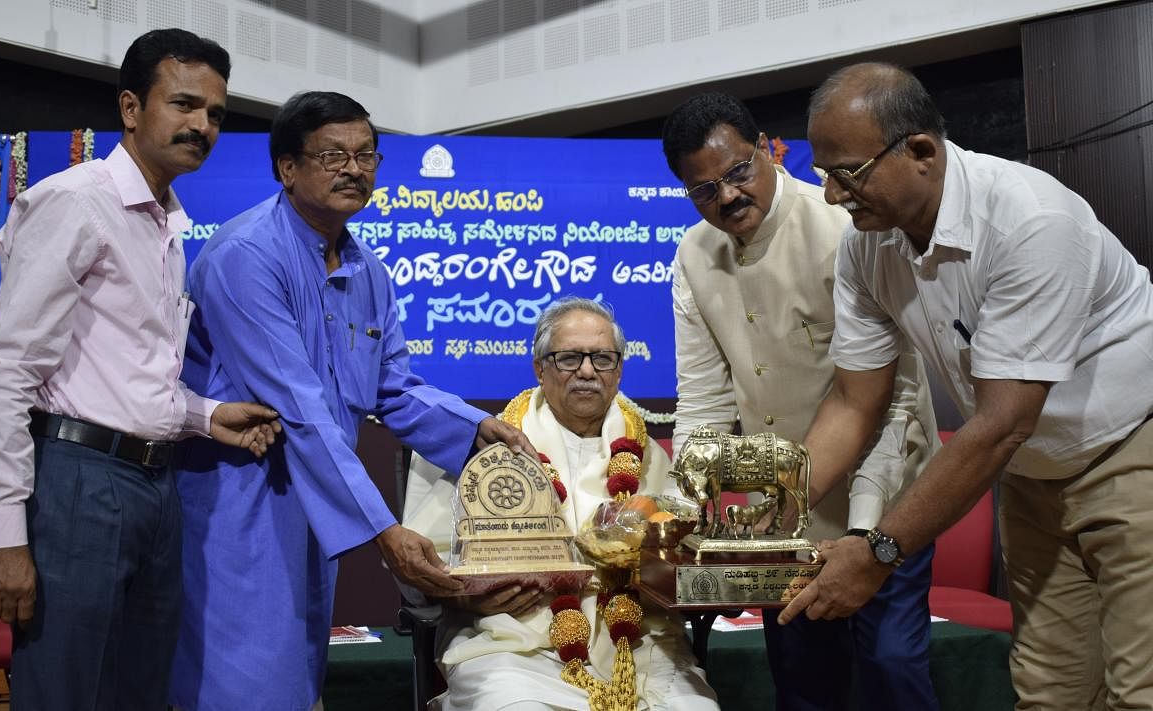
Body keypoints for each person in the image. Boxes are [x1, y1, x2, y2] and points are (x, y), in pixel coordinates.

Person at [778, 62, 1153, 710]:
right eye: (824, 175)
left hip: (1131, 451)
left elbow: (1000, 421)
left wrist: (877, 553)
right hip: (1032, 474)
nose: (834, 196)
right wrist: (773, 513)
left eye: (849, 174)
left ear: (920, 151)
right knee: (1050, 691)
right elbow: (852, 401)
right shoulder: (866, 249)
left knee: (1140, 687)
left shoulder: (1030, 221)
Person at [169, 90, 534, 711]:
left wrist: (478, 430)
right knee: (243, 685)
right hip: (240, 503)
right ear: (287, 168)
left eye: (366, 155)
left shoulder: (369, 269)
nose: (354, 168)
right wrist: (385, 530)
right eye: (333, 155)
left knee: (297, 681)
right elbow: (300, 407)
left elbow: (392, 387)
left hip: (315, 499)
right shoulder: (246, 256)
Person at [0, 29, 281, 711]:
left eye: (216, 115)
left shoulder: (164, 221)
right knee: (66, 695)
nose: (202, 125)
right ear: (132, 108)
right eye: (185, 104)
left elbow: (124, 373)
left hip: (152, 486)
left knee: (138, 694)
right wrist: (5, 538)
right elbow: (7, 373)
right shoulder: (77, 201)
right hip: (79, 487)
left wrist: (206, 415)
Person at [661, 92, 941, 710]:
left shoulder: (846, 227)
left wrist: (866, 536)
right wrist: (684, 507)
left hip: (888, 502)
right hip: (786, 521)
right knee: (805, 686)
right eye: (704, 190)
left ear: (766, 148)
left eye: (738, 172)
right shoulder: (691, 256)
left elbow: (898, 401)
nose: (728, 196)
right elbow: (706, 402)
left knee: (891, 670)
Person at [403, 296, 720, 711]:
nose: (587, 371)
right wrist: (469, 597)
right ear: (539, 368)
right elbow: (430, 558)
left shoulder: (647, 456)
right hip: (513, 642)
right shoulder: (492, 449)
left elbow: (679, 558)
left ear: (619, 370)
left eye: (602, 359)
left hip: (636, 643)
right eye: (569, 358)